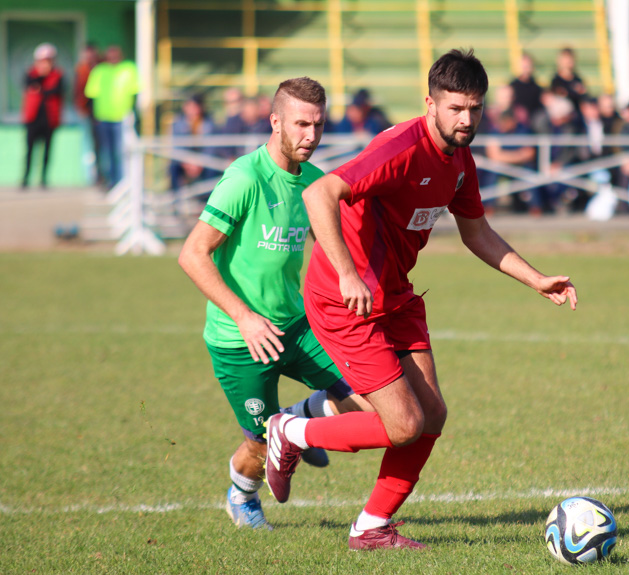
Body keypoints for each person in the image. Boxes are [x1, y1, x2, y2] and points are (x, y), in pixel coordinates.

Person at [265, 49, 577, 550]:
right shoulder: (400, 148)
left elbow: (477, 233)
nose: (466, 119)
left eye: (474, 108)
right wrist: (347, 273)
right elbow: (318, 195)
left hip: (396, 296)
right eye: (455, 108)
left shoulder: (460, 160)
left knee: (431, 416)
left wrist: (536, 279)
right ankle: (291, 432)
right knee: (405, 424)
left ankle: (371, 527)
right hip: (345, 301)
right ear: (429, 103)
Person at [178, 77, 372, 531]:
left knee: (368, 398)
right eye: (301, 124)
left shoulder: (315, 183)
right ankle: (242, 495)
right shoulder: (245, 178)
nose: (311, 135)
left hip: (298, 327)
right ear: (275, 121)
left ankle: (297, 422)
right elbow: (192, 254)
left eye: (319, 125)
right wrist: (244, 318)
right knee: (261, 446)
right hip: (239, 340)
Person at [84, 45, 139, 189]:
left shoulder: (129, 69)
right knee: (106, 152)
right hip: (103, 118)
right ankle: (109, 181)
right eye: (110, 56)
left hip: (122, 119)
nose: (113, 59)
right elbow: (91, 95)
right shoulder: (99, 71)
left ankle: (122, 183)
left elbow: (136, 91)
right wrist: (93, 116)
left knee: (121, 152)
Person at [21, 43, 64, 190]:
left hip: (49, 119)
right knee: (29, 150)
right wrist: (40, 79)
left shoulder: (58, 75)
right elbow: (29, 85)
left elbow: (56, 91)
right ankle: (25, 178)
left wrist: (40, 89)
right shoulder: (31, 74)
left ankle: (43, 179)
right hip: (32, 118)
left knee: (47, 150)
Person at [169, 94, 218, 192]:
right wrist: (186, 161)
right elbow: (176, 146)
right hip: (184, 161)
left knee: (213, 169)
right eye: (190, 106)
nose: (193, 110)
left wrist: (200, 162)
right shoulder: (178, 124)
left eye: (195, 106)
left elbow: (211, 148)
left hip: (203, 162)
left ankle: (206, 200)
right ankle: (176, 200)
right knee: (173, 168)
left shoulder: (209, 124)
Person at [73, 44, 101, 185]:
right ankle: (91, 176)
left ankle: (100, 175)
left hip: (100, 112)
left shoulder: (101, 68)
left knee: (100, 145)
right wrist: (80, 107)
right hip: (86, 112)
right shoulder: (81, 69)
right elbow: (77, 90)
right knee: (88, 144)